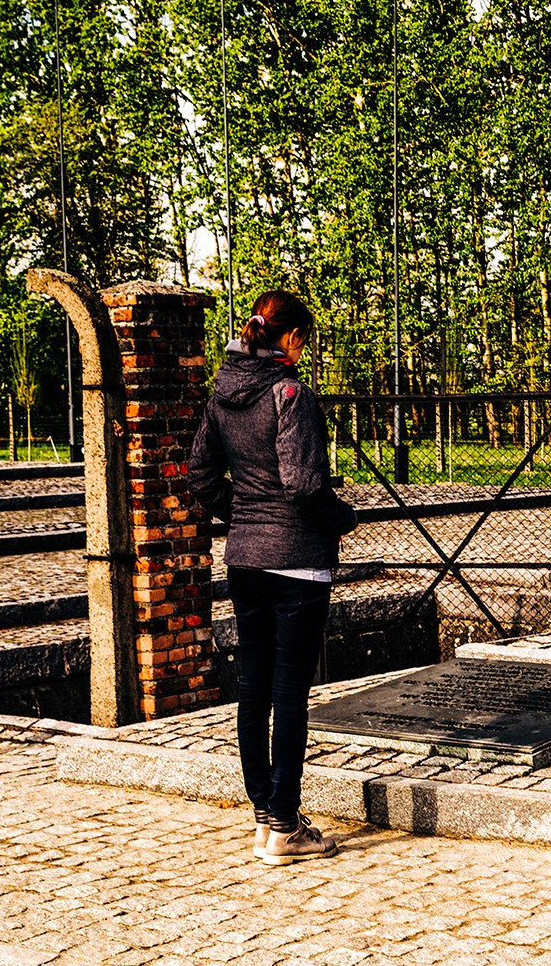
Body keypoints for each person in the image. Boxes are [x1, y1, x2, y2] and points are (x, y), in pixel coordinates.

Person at [189, 290, 357, 865]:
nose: (304, 350)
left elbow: (200, 473)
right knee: (289, 694)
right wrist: (344, 517)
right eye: (304, 339)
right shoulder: (290, 394)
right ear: (288, 338)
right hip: (297, 562)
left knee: (253, 688)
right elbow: (305, 484)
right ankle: (285, 826)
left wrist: (239, 516)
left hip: (245, 561)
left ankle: (264, 815)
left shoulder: (222, 396)